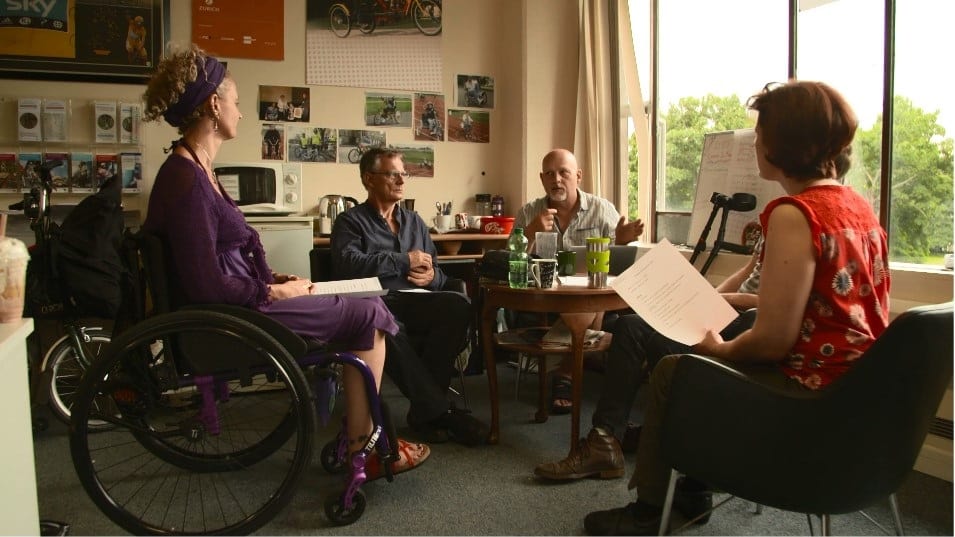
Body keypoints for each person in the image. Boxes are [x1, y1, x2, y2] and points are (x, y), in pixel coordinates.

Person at [583, 80, 891, 535]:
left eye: (761, 133)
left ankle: (651, 511)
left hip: (808, 396)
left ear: (781, 144)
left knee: (675, 368)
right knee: (682, 352)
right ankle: (688, 490)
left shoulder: (794, 213)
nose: (756, 143)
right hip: (857, 391)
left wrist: (717, 349)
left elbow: (771, 342)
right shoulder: (858, 207)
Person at [140, 44, 430, 480]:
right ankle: (364, 446)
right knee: (369, 311)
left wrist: (273, 276)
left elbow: (217, 257)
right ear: (214, 105)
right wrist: (272, 290)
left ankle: (361, 437)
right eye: (236, 103)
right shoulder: (185, 179)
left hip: (242, 305)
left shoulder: (197, 171)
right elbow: (205, 284)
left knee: (359, 308)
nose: (240, 112)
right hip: (231, 318)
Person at [534, 237, 761, 483]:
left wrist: (724, 300)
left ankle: (661, 440)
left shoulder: (792, 228)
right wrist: (711, 296)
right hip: (724, 313)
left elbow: (771, 306)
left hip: (745, 325)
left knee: (659, 342)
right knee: (629, 325)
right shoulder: (769, 231)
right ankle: (604, 439)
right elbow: (748, 273)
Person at [330, 147, 490, 447]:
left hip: (415, 299)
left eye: (403, 174)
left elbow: (437, 272)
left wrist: (432, 277)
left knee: (457, 304)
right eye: (393, 174)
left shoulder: (415, 222)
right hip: (374, 300)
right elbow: (349, 264)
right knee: (385, 321)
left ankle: (426, 410)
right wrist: (404, 260)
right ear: (369, 179)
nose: (402, 181)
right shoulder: (350, 222)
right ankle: (437, 412)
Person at [514, 148, 646, 414]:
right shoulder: (529, 212)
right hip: (545, 300)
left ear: (578, 176)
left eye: (564, 172)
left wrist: (620, 240)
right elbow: (507, 261)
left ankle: (566, 371)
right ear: (542, 179)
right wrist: (529, 233)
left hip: (589, 299)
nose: (557, 179)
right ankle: (583, 358)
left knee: (591, 291)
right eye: (550, 174)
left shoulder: (601, 209)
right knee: (591, 300)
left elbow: (613, 263)